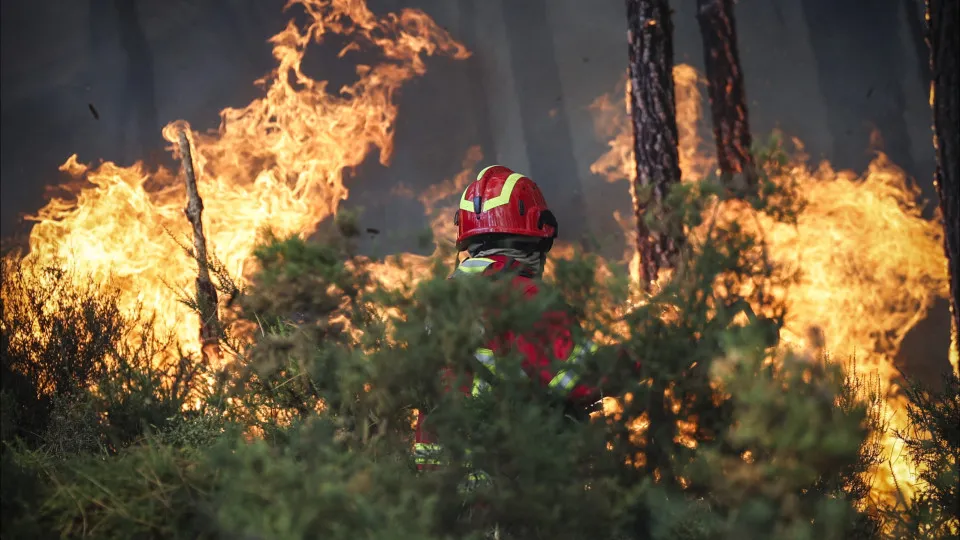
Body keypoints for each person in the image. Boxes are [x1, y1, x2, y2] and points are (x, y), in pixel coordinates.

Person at [413, 165, 604, 490]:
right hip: (512, 495)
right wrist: (653, 355)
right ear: (538, 237)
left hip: (440, 497)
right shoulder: (525, 296)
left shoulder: (438, 300)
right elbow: (583, 381)